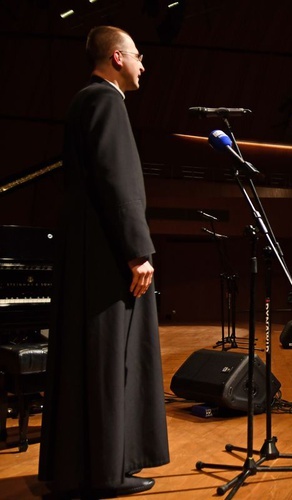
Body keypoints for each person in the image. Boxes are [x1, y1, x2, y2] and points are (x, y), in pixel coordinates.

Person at [38, 26, 169, 497]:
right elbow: (119, 184)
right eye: (137, 55)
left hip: (86, 253)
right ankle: (107, 473)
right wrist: (139, 251)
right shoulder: (107, 101)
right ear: (117, 57)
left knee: (87, 362)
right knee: (113, 361)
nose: (142, 64)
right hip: (108, 257)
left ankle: (81, 468)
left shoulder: (83, 101)